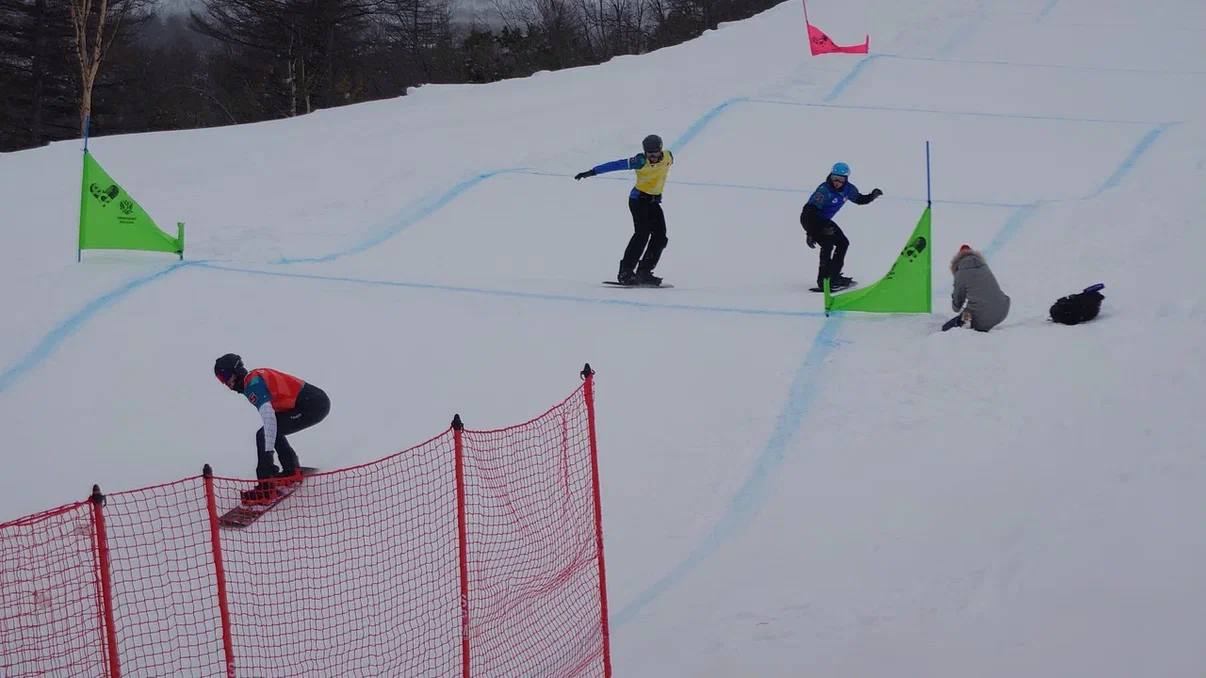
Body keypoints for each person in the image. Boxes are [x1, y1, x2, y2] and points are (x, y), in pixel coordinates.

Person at [575, 134, 674, 286]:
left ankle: (644, 272)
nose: (652, 157)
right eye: (649, 154)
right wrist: (592, 172)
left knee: (660, 237)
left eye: (654, 153)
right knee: (642, 234)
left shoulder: (669, 157)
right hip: (638, 201)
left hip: (654, 202)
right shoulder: (640, 161)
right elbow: (616, 165)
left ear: (660, 150)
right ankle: (625, 272)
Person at [214, 354, 330, 480]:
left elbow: (268, 417)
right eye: (221, 379)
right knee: (272, 430)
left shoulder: (253, 384)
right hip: (311, 402)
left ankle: (267, 481)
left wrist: (267, 455)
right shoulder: (253, 379)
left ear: (236, 371)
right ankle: (291, 469)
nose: (225, 383)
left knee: (265, 433)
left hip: (313, 404)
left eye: (225, 376)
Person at [799, 162, 882, 290]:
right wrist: (811, 233)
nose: (837, 182)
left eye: (840, 179)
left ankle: (834, 277)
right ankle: (823, 282)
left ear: (846, 179)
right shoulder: (824, 190)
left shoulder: (849, 189)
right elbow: (808, 212)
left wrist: (872, 196)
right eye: (834, 178)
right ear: (830, 176)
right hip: (811, 219)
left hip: (824, 221)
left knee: (843, 243)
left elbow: (859, 199)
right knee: (827, 244)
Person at [944, 244, 1011, 332]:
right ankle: (973, 322)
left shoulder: (961, 273)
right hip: (1002, 310)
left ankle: (967, 325)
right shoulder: (984, 267)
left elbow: (956, 307)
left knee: (946, 328)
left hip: (982, 315)